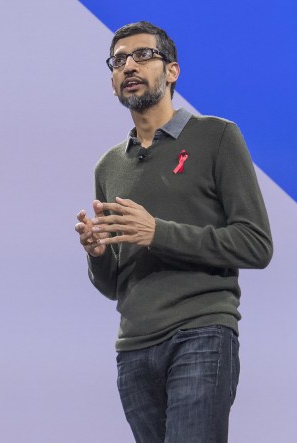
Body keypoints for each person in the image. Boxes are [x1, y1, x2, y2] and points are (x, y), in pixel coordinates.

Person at [74, 21, 272, 442]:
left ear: (172, 71)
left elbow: (256, 244)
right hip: (133, 349)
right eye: (119, 60)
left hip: (201, 332)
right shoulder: (108, 167)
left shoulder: (216, 136)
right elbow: (114, 285)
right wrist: (97, 255)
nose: (129, 65)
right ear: (112, 81)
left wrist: (156, 232)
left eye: (143, 55)